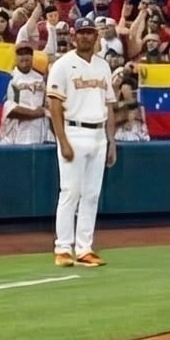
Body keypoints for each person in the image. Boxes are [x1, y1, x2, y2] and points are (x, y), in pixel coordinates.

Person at [44, 20, 115, 266]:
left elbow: (109, 105)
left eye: (89, 33)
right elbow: (54, 105)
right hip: (74, 130)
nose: (86, 37)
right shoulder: (62, 65)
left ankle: (85, 248)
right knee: (70, 192)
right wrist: (62, 139)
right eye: (82, 33)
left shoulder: (103, 66)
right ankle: (63, 248)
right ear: (74, 36)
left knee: (92, 194)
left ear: (96, 36)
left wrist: (111, 141)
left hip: (98, 133)